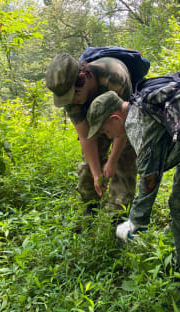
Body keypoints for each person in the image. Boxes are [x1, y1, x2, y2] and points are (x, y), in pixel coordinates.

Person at [86, 90, 180, 301]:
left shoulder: (138, 126)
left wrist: (134, 223)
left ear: (115, 118)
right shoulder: (140, 105)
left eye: (105, 131)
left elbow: (149, 181)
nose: (107, 137)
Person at [45, 52, 137, 215]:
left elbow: (124, 122)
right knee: (89, 166)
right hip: (97, 121)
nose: (72, 101)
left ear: (82, 77)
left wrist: (112, 160)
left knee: (124, 162)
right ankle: (91, 207)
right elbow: (86, 137)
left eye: (73, 95)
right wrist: (96, 174)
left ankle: (118, 215)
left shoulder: (114, 77)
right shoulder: (68, 91)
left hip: (122, 118)